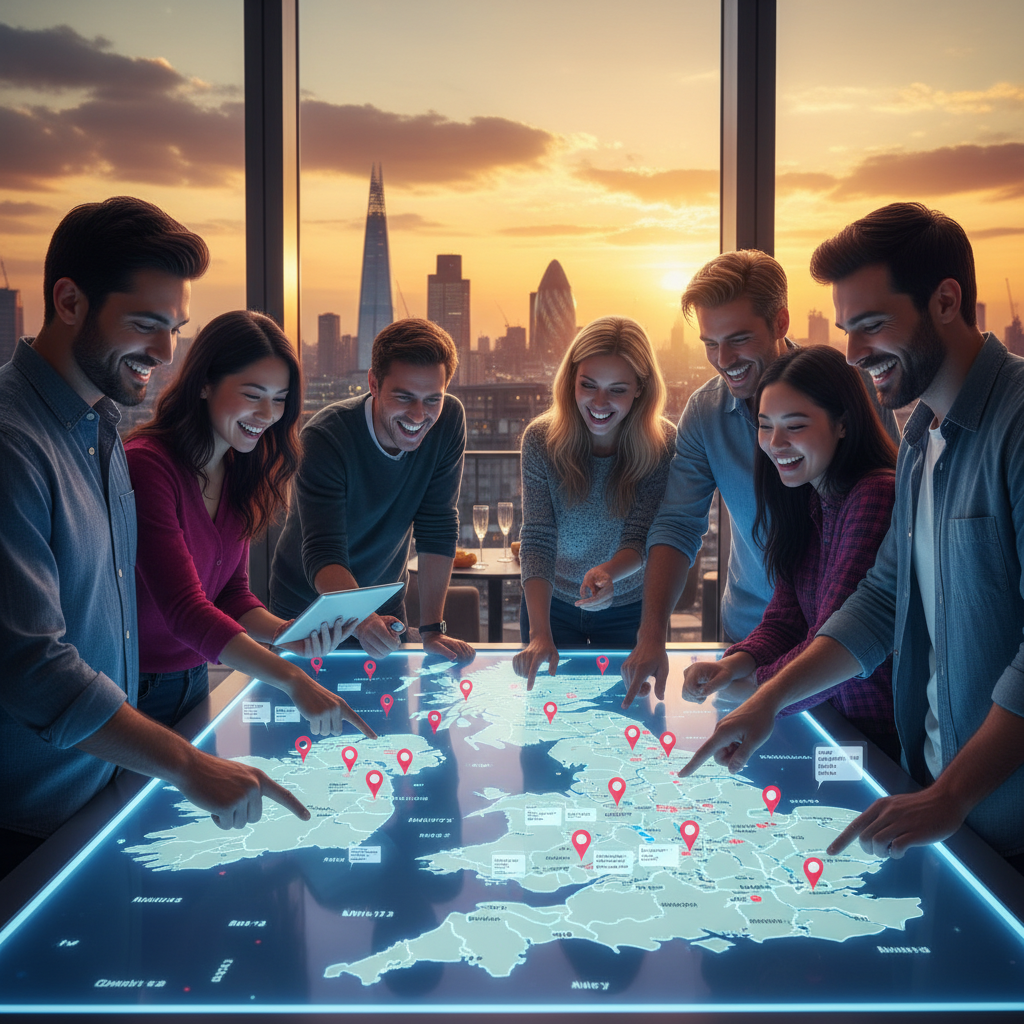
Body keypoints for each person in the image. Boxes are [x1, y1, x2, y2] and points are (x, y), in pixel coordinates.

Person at [681, 203, 1024, 873]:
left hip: (1002, 818)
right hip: (935, 802)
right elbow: (877, 604)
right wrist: (766, 704)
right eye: (846, 329)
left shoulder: (1017, 423)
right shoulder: (920, 436)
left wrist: (952, 794)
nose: (855, 353)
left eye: (871, 325)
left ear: (946, 301)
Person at [0, 198, 314, 880]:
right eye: (146, 324)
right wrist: (188, 763)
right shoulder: (13, 444)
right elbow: (31, 668)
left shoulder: (102, 432)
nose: (166, 351)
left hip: (101, 784)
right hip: (26, 820)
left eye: (175, 328)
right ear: (69, 300)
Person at [621, 251, 897, 708]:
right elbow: (677, 525)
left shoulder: (852, 392)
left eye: (739, 339)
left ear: (781, 321)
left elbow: (886, 542)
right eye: (710, 343)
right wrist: (652, 635)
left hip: (850, 658)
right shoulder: (706, 412)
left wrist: (763, 694)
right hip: (760, 634)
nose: (723, 359)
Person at [124, 310, 374, 734]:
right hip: (134, 690)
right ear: (204, 383)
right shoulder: (148, 465)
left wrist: (283, 633)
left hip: (195, 675)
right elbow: (186, 610)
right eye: (253, 394)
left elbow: (232, 594)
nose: (268, 413)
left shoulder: (241, 468)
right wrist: (291, 678)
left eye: (279, 399)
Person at [681, 345, 899, 758]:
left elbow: (831, 643)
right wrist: (734, 665)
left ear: (843, 425)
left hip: (874, 739)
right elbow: (786, 618)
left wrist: (761, 693)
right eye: (765, 426)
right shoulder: (811, 497)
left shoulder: (874, 494)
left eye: (795, 426)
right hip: (828, 721)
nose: (775, 443)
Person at [270, 318, 474, 663]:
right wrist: (361, 621)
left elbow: (437, 527)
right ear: (373, 384)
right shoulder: (325, 438)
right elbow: (323, 552)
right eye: (404, 397)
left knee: (389, 714)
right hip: (309, 608)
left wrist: (432, 630)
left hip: (384, 602)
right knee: (305, 712)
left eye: (432, 399)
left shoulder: (449, 420)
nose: (419, 415)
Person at [513, 317, 675, 689]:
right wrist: (540, 634)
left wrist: (608, 575)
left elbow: (643, 538)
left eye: (617, 389)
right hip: (550, 607)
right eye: (588, 385)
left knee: (623, 724)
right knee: (545, 717)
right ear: (571, 381)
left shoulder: (664, 443)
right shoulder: (540, 439)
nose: (599, 403)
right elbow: (537, 537)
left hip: (630, 609)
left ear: (640, 389)